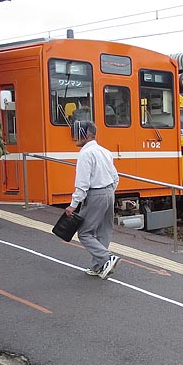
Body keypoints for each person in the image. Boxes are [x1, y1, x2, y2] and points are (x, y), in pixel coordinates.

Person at [65, 120, 120, 279]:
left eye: (77, 133)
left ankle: (107, 258)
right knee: (104, 230)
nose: (74, 137)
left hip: (95, 194)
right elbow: (115, 177)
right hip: (109, 191)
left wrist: (73, 205)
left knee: (84, 233)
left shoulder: (85, 154)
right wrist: (109, 191)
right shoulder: (105, 151)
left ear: (86, 134)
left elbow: (82, 184)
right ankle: (99, 266)